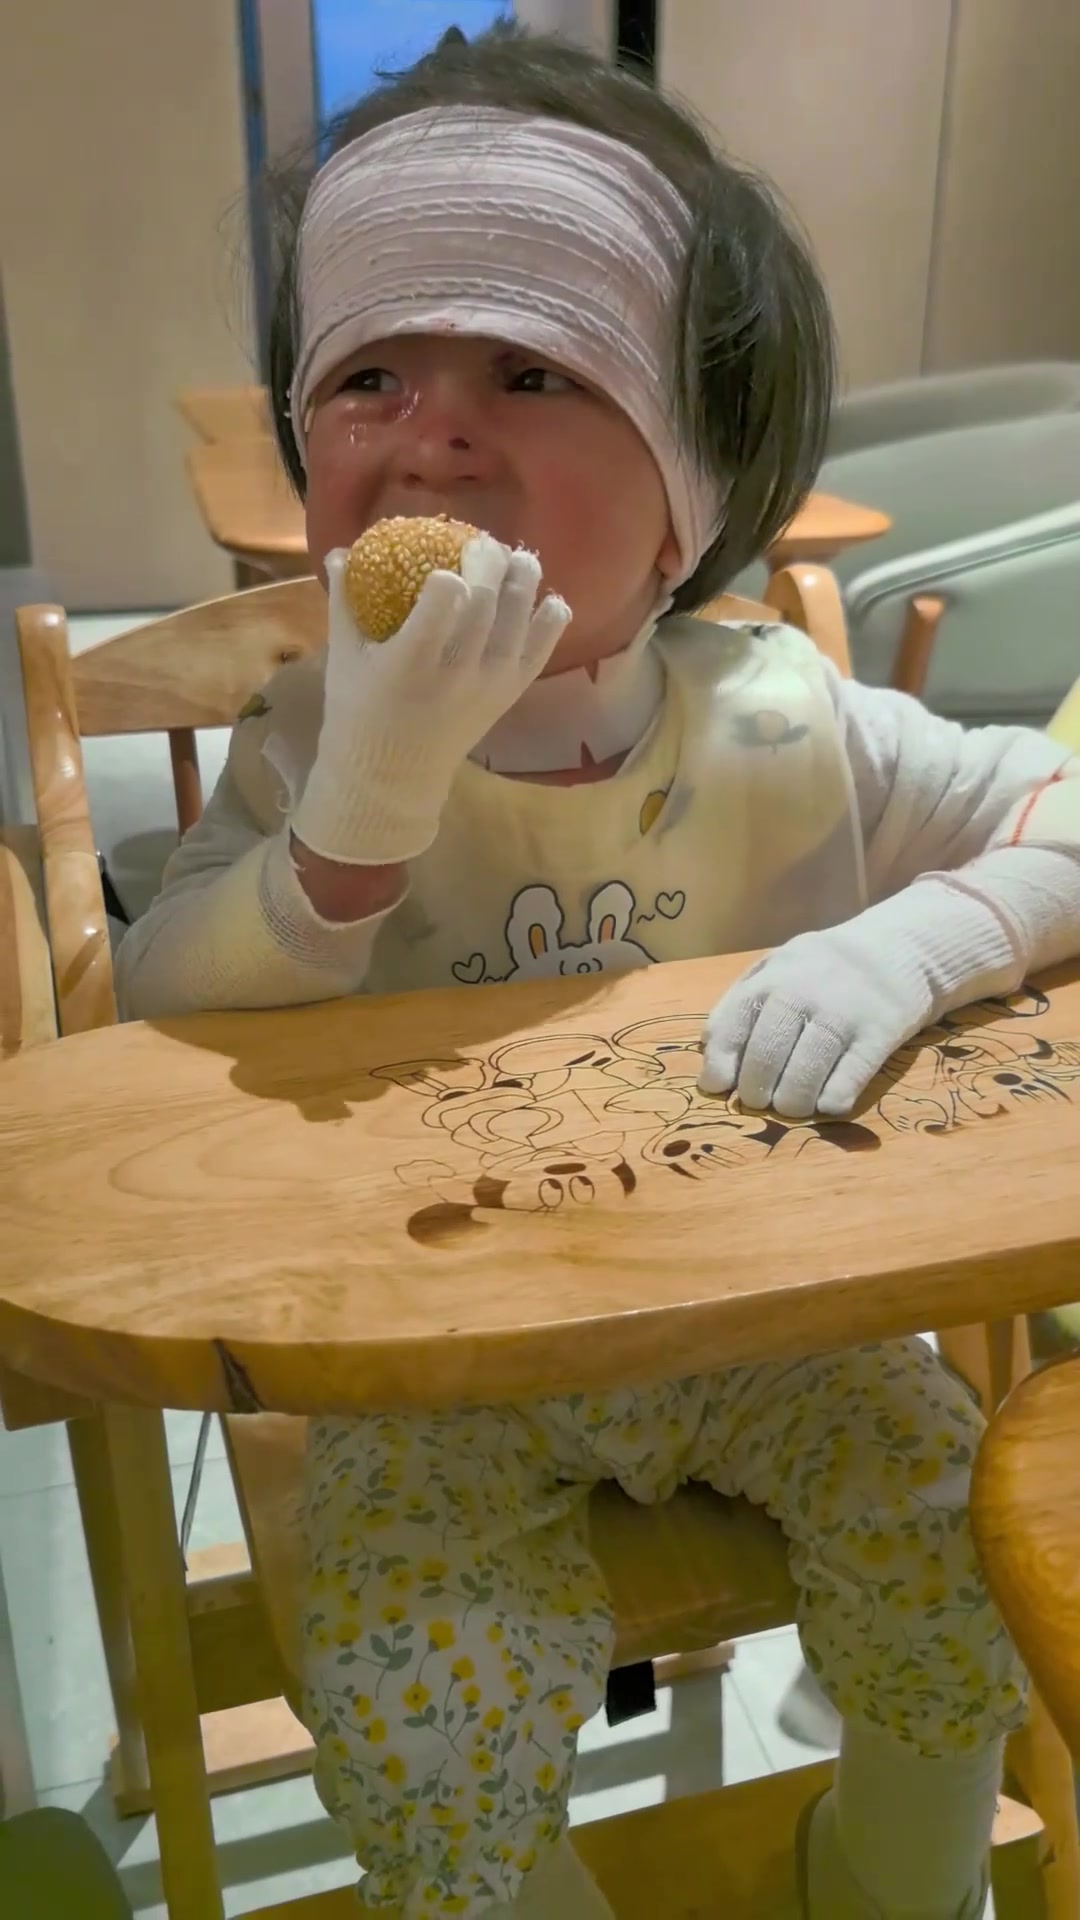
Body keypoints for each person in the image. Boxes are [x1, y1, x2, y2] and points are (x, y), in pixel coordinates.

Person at [116, 23, 1080, 1920]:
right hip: (435, 1366)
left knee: (954, 1530)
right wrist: (353, 824)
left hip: (773, 1319)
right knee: (416, 1685)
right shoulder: (305, 741)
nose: (433, 432)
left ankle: (884, 1876)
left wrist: (923, 935)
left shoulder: (785, 716)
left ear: (687, 500)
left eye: (535, 369)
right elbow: (158, 1003)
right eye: (369, 374)